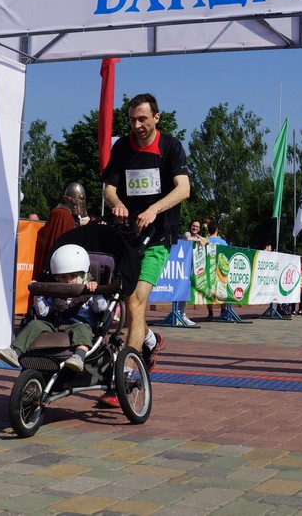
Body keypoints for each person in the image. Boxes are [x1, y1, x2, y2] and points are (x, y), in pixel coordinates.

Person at [100, 93, 188, 405]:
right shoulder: (122, 146)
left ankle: (123, 378)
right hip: (126, 235)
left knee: (135, 302)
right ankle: (150, 340)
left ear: (156, 118)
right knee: (126, 302)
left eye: (143, 119)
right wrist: (118, 203)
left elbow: (184, 188)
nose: (137, 125)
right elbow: (109, 188)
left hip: (158, 236)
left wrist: (154, 210)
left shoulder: (170, 147)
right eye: (132, 119)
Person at [0, 244, 104, 372]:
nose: (68, 281)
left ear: (83, 275)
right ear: (56, 277)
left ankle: (78, 357)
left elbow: (101, 309)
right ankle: (15, 352)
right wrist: (38, 292)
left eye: (72, 276)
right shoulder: (56, 292)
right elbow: (43, 313)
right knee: (35, 324)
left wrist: (95, 292)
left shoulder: (87, 291)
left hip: (79, 325)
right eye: (63, 277)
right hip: (56, 325)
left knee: (83, 329)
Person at [32, 183, 88, 281]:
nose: (80, 202)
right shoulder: (62, 215)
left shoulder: (64, 215)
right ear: (70, 199)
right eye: (79, 199)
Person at [176, 220, 208, 325]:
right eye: (193, 226)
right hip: (181, 266)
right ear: (190, 227)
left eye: (197, 227)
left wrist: (203, 240)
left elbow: (207, 241)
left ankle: (182, 314)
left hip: (190, 267)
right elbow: (188, 238)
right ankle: (178, 314)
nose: (195, 228)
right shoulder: (187, 233)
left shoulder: (198, 236)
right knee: (180, 290)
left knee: (185, 291)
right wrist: (198, 240)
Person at [203, 221, 227, 320]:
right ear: (217, 229)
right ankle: (223, 312)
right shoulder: (222, 242)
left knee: (209, 291)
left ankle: (210, 313)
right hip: (220, 269)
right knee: (223, 290)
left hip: (208, 268)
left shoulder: (205, 240)